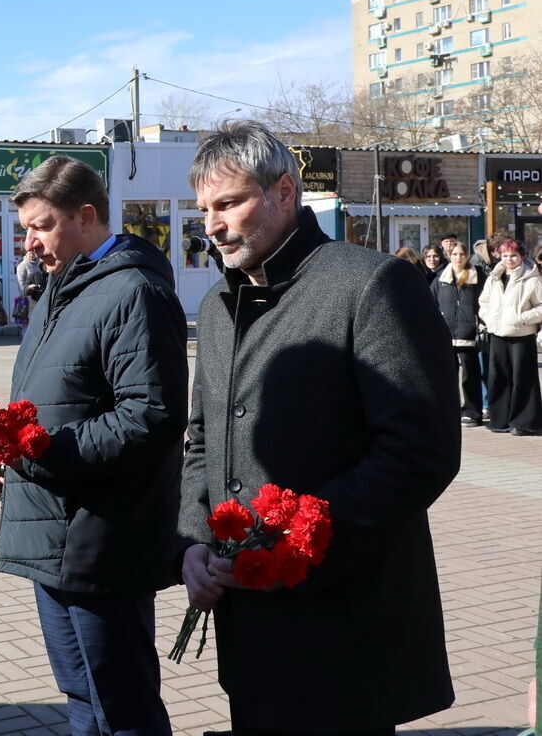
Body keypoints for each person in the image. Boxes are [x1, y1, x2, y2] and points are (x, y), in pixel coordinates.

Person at [181, 122, 460, 736]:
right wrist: (196, 539)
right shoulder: (217, 305)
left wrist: (298, 547)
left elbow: (421, 452)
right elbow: (203, 438)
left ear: (285, 192)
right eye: (204, 209)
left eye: (229, 203)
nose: (212, 225)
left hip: (342, 621)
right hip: (248, 621)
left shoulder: (370, 284)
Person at [0, 155, 186, 736]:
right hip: (55, 530)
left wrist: (40, 450)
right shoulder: (60, 289)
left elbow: (152, 417)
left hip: (102, 538)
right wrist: (2, 450)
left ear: (86, 216)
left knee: (122, 704)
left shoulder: (133, 292)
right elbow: (49, 398)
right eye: (25, 230)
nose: (29, 243)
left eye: (41, 226)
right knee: (82, 696)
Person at [477, 239, 542, 436]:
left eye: (513, 255)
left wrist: (522, 318)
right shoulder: (494, 277)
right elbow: (483, 302)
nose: (509, 260)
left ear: (522, 256)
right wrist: (489, 319)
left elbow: (540, 306)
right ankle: (500, 419)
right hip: (497, 333)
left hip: (521, 335)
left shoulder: (532, 279)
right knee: (498, 377)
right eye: (505, 256)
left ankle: (523, 422)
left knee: (522, 378)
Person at [432, 240, 486, 427]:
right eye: (455, 254)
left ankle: (472, 411)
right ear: (449, 255)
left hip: (468, 333)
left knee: (470, 376)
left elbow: (484, 303)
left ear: (467, 256)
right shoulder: (440, 279)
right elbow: (431, 304)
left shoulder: (477, 277)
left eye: (462, 254)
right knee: (447, 376)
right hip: (446, 334)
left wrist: (479, 324)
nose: (458, 257)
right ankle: (448, 410)